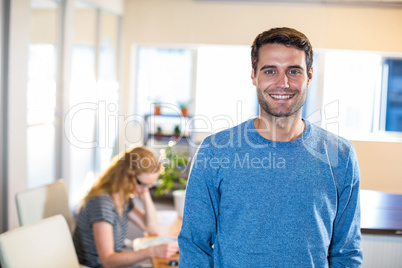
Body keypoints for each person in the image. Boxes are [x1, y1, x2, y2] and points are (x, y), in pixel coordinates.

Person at [178, 27, 363, 267]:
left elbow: (346, 252)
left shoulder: (341, 155)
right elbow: (194, 246)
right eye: (270, 71)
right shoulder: (215, 150)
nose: (283, 83)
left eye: (293, 71)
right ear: (254, 75)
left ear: (309, 75)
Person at [73, 146, 179, 268]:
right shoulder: (102, 204)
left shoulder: (121, 199)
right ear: (127, 175)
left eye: (150, 186)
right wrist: (152, 251)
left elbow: (151, 229)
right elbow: (107, 261)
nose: (145, 189)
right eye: (143, 184)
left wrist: (144, 192)